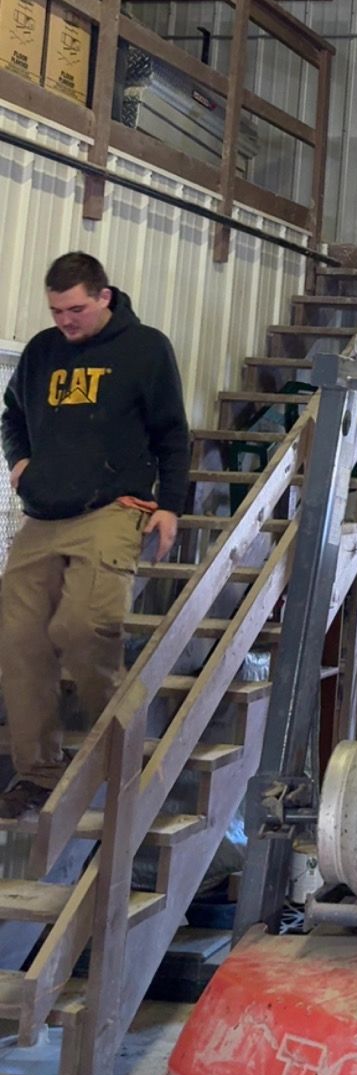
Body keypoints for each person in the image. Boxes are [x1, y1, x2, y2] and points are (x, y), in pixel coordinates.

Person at [0, 251, 190, 824]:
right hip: (43, 513)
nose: (65, 321)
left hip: (113, 508)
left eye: (75, 309)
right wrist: (20, 463)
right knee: (18, 641)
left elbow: (172, 433)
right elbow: (11, 414)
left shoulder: (146, 348)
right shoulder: (41, 351)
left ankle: (116, 751)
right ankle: (36, 773)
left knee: (84, 627)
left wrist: (171, 506)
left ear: (104, 296)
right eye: (57, 311)